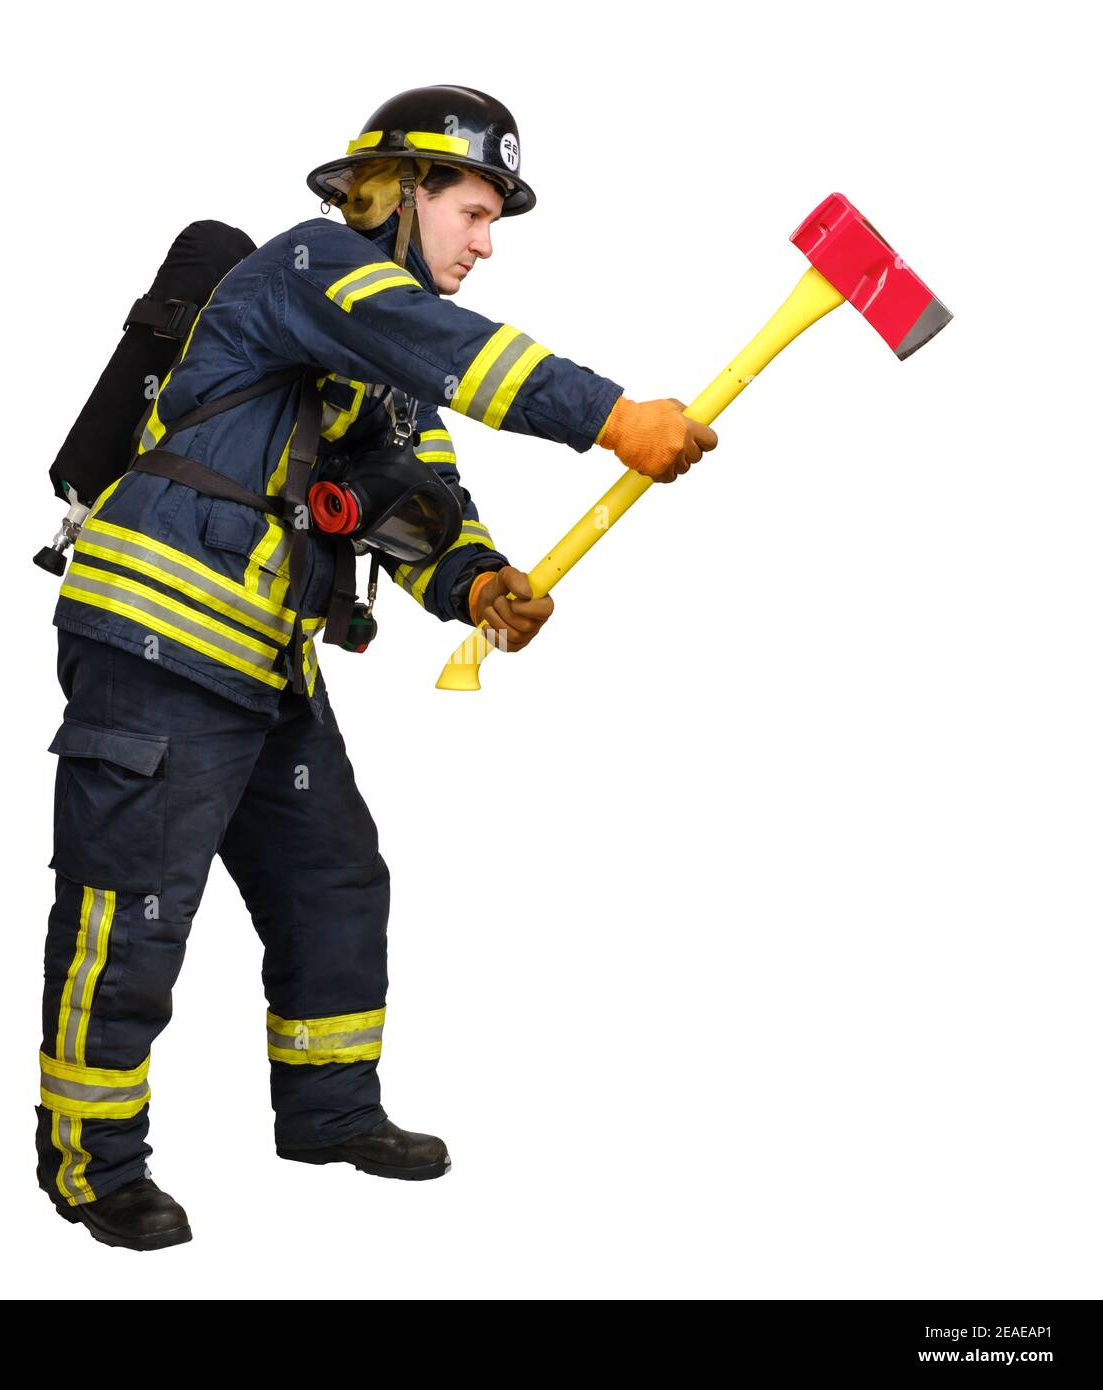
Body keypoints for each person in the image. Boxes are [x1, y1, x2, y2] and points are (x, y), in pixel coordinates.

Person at [35, 84, 718, 1251]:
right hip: (158, 637)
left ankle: (330, 1111)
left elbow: (421, 505)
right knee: (133, 909)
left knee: (335, 879)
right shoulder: (317, 268)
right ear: (398, 194)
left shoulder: (387, 357)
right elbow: (454, 349)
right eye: (472, 209)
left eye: (495, 218)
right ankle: (89, 1165)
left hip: (259, 658)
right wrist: (610, 418)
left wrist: (480, 583)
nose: (486, 242)